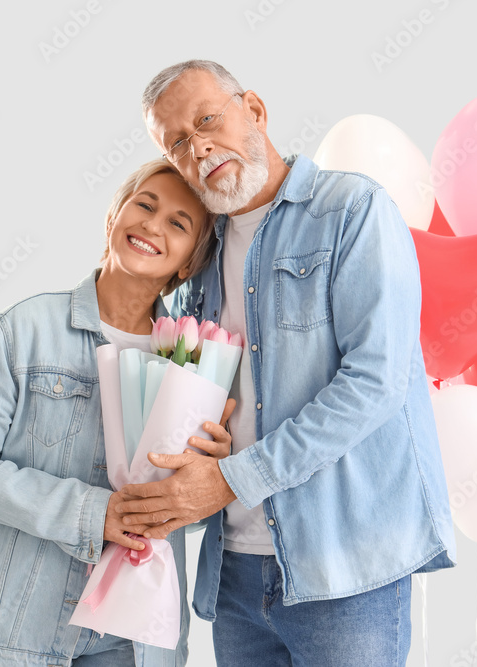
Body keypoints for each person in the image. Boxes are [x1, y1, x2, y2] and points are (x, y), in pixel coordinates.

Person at [114, 60, 458, 666]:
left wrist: (229, 479)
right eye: (177, 143)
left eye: (207, 120)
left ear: (255, 110)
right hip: (235, 578)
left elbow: (374, 382)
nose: (198, 147)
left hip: (344, 568)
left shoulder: (352, 211)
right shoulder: (201, 254)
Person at [0, 158, 233, 667]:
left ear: (189, 263)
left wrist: (210, 481)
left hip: (134, 638)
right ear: (115, 214)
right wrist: (93, 514)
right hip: (18, 623)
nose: (151, 226)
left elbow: (189, 522)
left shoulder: (200, 361)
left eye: (178, 224)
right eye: (144, 205)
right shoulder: (23, 329)